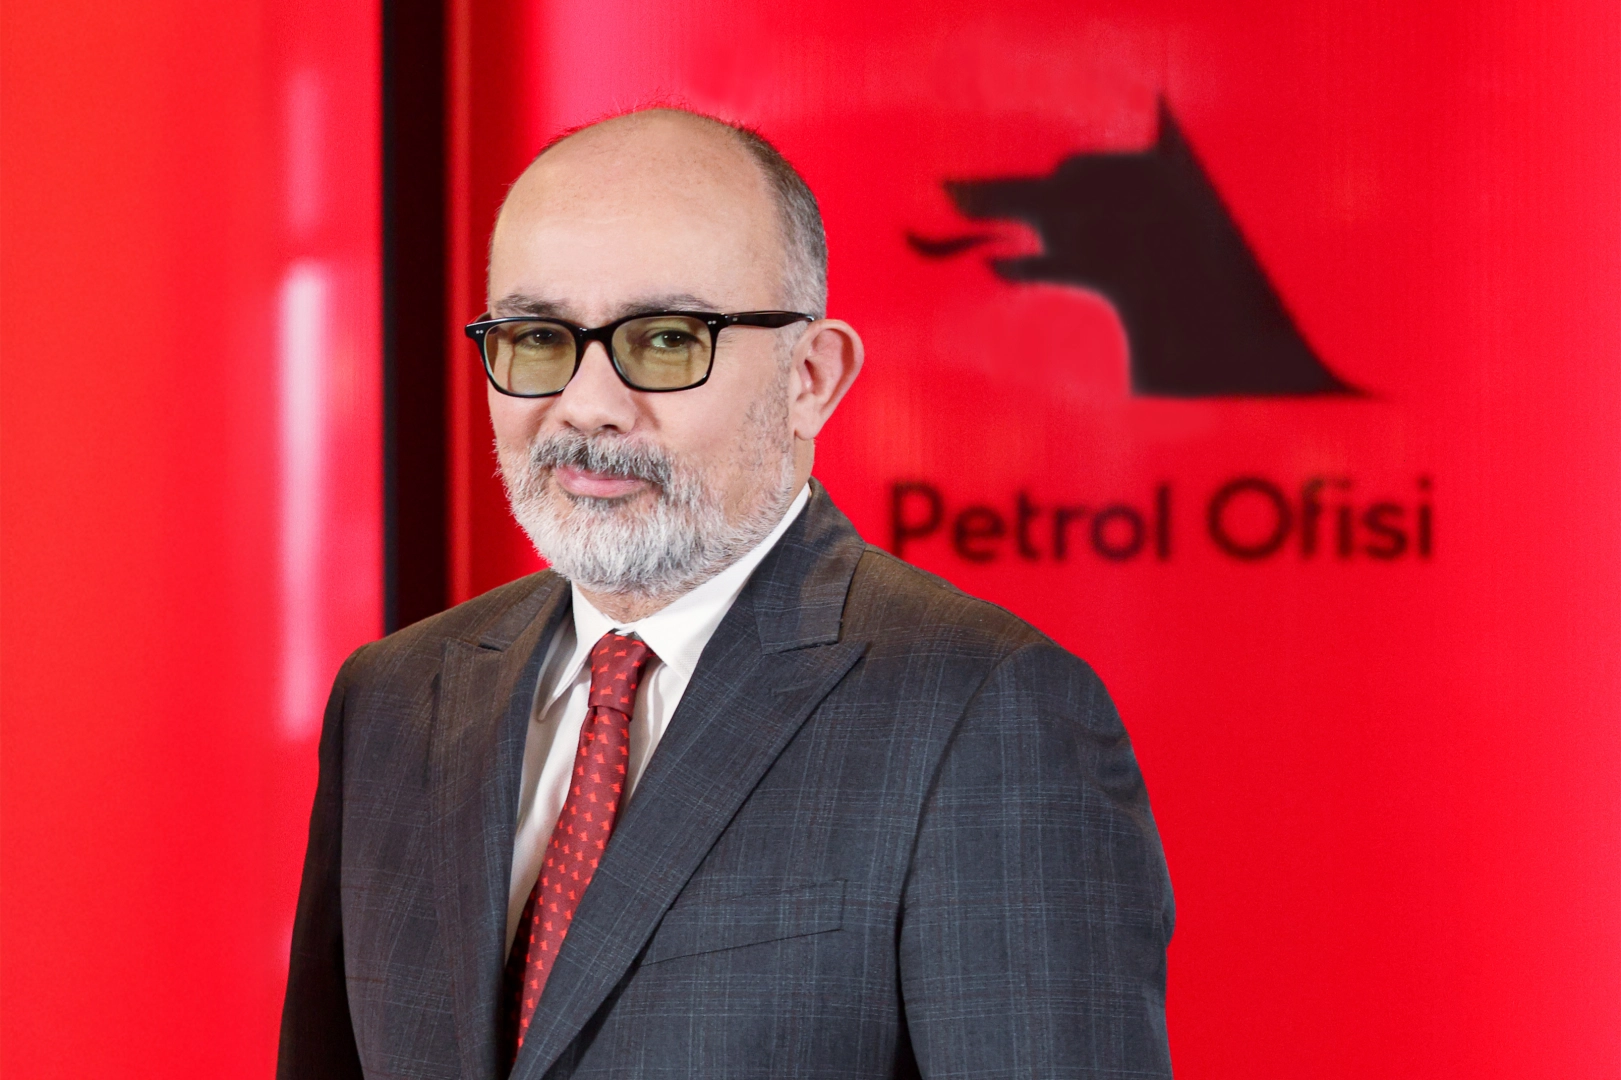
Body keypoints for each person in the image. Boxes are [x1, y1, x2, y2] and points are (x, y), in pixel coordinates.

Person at [279, 107, 1174, 1080]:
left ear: (811, 378)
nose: (587, 405)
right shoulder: (392, 698)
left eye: (667, 340)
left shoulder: (985, 711)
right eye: (537, 337)